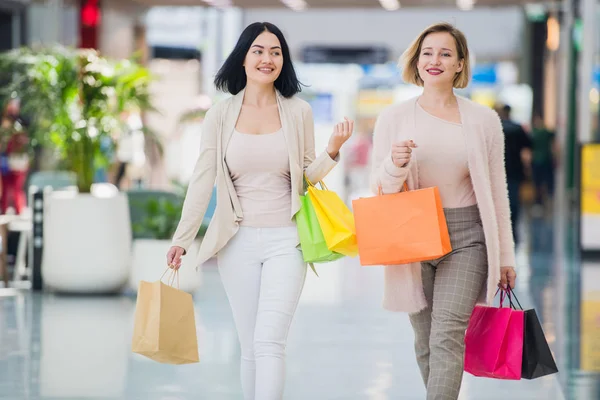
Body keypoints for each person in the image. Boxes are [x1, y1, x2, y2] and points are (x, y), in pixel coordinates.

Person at [166, 22, 353, 400]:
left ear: (283, 61)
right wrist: (182, 240)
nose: (268, 59)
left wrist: (332, 151)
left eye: (276, 52)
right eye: (259, 50)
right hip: (237, 242)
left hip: (287, 240)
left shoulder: (297, 112)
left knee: (270, 342)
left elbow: (305, 178)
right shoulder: (219, 115)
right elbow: (203, 180)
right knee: (250, 346)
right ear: (243, 57)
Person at [370, 23, 517, 400]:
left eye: (445, 54)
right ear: (416, 63)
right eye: (427, 53)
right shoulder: (393, 118)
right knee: (425, 340)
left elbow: (498, 192)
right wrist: (394, 165)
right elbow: (380, 187)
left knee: (447, 334)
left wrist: (505, 256)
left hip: (468, 237)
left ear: (459, 64)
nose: (435, 60)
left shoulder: (484, 121)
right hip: (412, 235)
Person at [497, 103, 532, 243]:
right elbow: (527, 151)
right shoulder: (518, 128)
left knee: (498, 198)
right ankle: (512, 226)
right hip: (515, 170)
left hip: (497, 169)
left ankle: (500, 227)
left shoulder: (495, 127)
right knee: (513, 199)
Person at [1, 98, 30, 215]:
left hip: (18, 160)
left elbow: (25, 141)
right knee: (6, 186)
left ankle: (19, 209)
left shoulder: (22, 121)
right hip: (5, 159)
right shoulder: (4, 121)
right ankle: (3, 209)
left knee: (17, 186)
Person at [530, 113, 556, 208]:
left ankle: (539, 201)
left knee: (538, 182)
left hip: (538, 161)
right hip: (545, 160)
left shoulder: (533, 133)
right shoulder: (546, 132)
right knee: (547, 181)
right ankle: (548, 198)